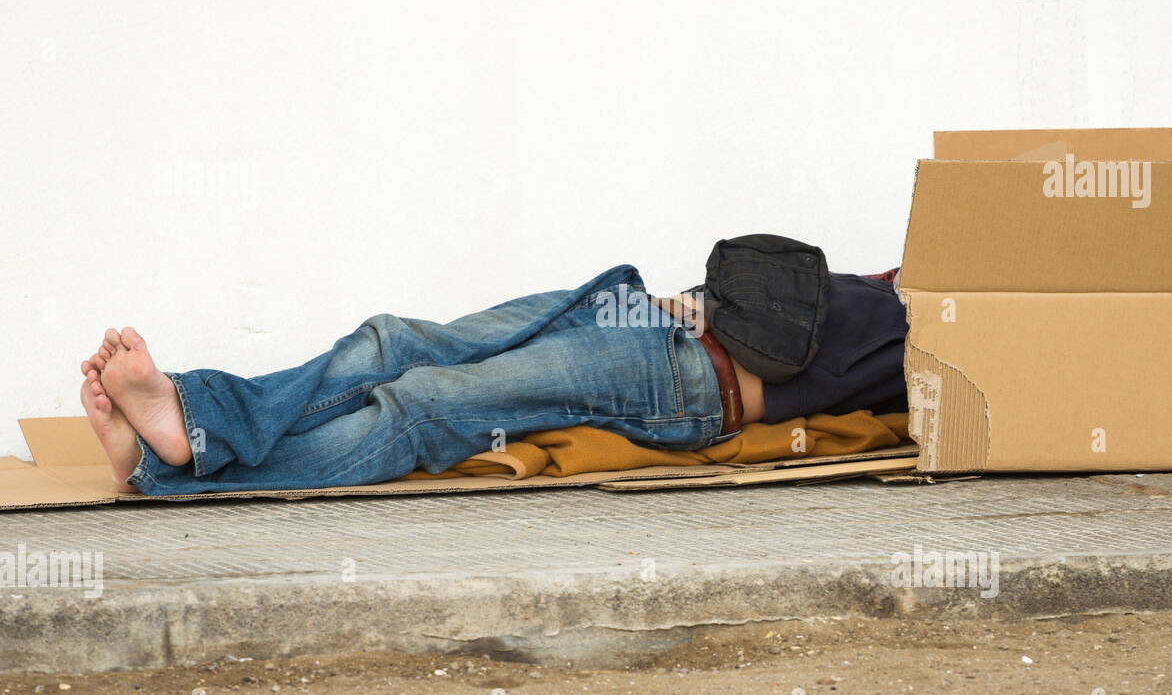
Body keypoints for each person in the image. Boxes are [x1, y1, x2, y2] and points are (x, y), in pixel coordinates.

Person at [78, 237, 908, 495]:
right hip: (638, 306)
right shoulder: (907, 279)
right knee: (391, 341)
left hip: (688, 383)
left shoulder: (941, 335)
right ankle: (193, 415)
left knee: (424, 404)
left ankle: (167, 461)